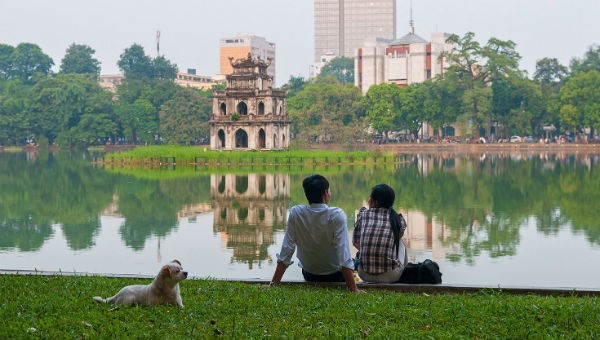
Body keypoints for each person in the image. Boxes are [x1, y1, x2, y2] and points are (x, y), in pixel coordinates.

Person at [270, 174, 363, 293]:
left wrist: (274, 283)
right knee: (356, 260)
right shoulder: (336, 215)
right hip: (336, 275)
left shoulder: (296, 213)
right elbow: (343, 256)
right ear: (325, 193)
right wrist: (353, 288)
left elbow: (287, 250)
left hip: (309, 274)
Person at [353, 184, 408, 283]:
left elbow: (356, 242)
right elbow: (396, 239)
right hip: (391, 276)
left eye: (370, 198)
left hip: (364, 274)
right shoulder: (397, 219)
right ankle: (403, 278)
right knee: (401, 243)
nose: (368, 200)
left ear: (375, 202)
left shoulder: (363, 215)